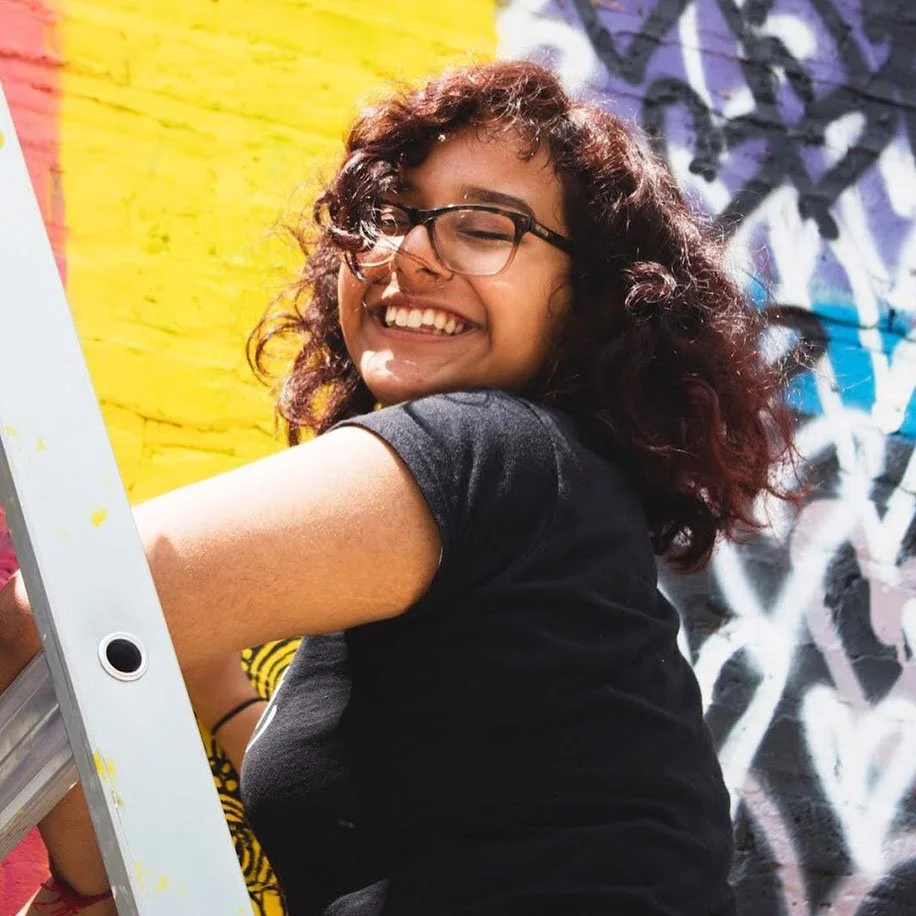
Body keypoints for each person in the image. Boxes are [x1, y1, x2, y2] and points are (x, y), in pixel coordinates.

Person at [0, 59, 796, 915]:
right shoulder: (514, 531)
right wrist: (225, 699)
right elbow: (410, 808)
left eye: (486, 227)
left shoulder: (495, 452)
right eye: (383, 214)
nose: (406, 251)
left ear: (593, 304)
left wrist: (88, 888)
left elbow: (68, 607)